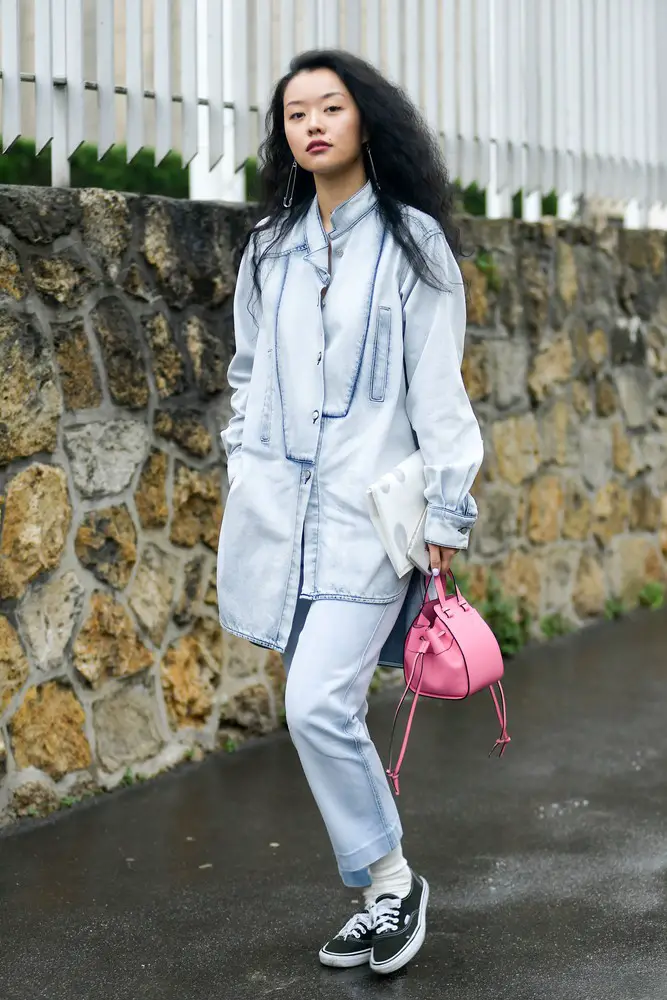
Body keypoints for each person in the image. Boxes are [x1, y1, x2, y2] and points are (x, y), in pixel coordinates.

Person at [216, 48, 483, 976]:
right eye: (296, 114)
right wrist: (241, 454)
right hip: (284, 523)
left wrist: (447, 512)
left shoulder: (413, 244)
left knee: (316, 703)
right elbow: (247, 371)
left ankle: (391, 883)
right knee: (324, 705)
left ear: (365, 121)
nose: (314, 124)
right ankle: (384, 888)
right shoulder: (269, 247)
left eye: (331, 107)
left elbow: (439, 395)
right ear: (284, 135)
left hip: (372, 523)